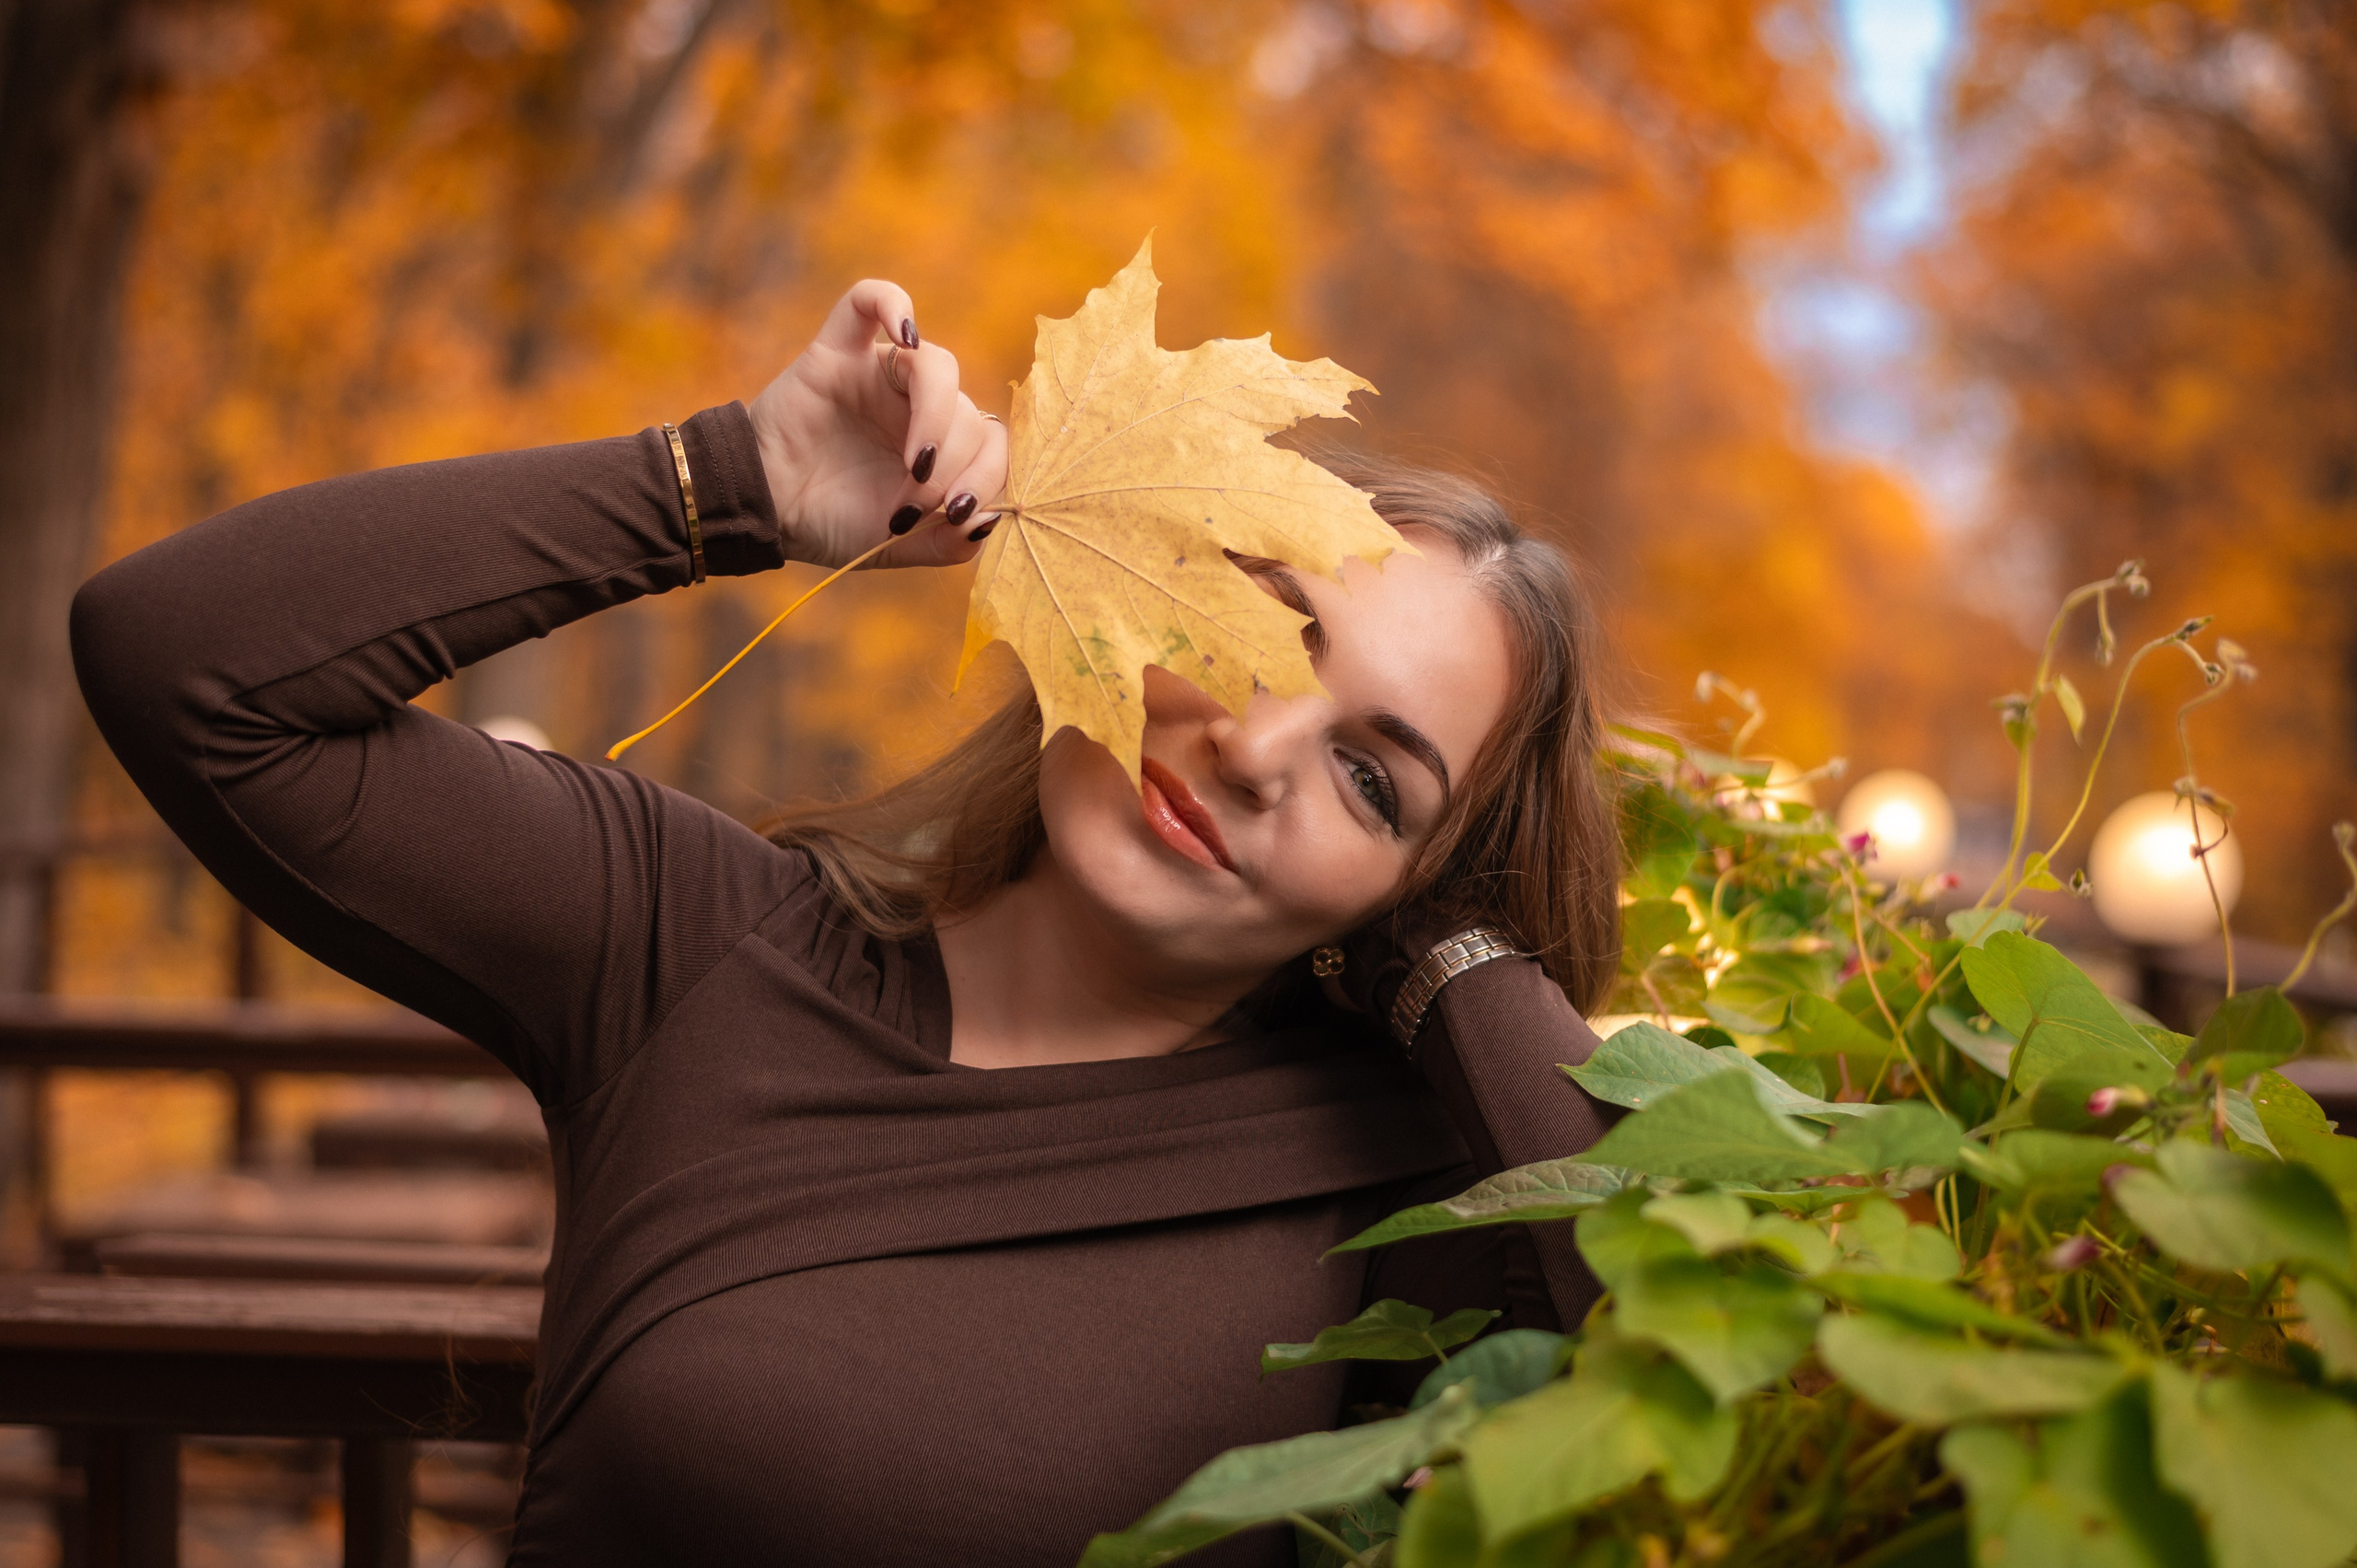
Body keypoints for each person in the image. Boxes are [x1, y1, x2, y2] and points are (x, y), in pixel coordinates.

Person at [73, 279, 1622, 1566]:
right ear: (1132, 597)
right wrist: (724, 482)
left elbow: (1662, 1356)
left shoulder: (1407, 1178)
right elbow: (186, 663)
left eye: (1372, 779)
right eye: (1264, 628)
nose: (1260, 746)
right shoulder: (693, 946)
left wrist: (1446, 955)